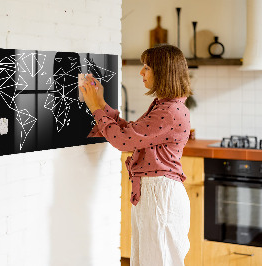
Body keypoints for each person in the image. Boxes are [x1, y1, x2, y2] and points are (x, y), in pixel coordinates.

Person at [80, 44, 192, 266]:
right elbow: (131, 133)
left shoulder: (169, 111)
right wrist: (101, 103)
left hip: (160, 195)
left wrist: (95, 108)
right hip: (155, 193)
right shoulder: (165, 106)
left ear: (163, 72)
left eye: (147, 67)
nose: (141, 72)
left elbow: (123, 141)